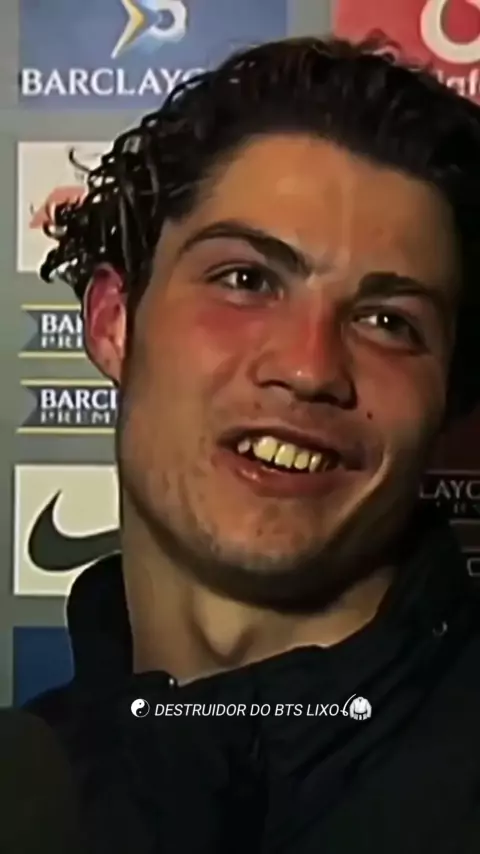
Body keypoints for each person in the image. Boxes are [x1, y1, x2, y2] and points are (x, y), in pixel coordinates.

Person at [25, 35, 480, 853]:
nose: (309, 368)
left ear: (447, 397)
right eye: (246, 280)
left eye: (389, 322)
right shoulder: (25, 796)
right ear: (114, 323)